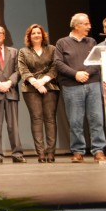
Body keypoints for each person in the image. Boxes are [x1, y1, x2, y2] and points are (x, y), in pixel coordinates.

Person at [54, 13, 106, 163]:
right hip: (72, 86)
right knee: (75, 120)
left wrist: (86, 74)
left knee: (96, 118)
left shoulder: (91, 41)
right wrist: (75, 74)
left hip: (92, 84)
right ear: (76, 26)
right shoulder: (62, 42)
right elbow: (58, 63)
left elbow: (97, 62)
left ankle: (98, 150)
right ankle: (78, 151)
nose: (89, 27)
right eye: (86, 24)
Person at [18, 24, 60, 163]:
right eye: (33, 33)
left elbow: (55, 67)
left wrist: (43, 82)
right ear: (29, 36)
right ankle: (41, 153)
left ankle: (51, 153)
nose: (36, 35)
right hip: (30, 88)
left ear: (43, 35)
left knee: (50, 119)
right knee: (36, 119)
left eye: (39, 33)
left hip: (50, 86)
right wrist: (36, 83)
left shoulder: (52, 49)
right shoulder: (23, 51)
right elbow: (23, 70)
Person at [0, 25, 24, 164]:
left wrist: (9, 83)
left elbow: (18, 70)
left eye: (0, 33)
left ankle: (17, 153)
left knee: (13, 125)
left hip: (11, 91)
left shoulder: (14, 52)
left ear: (4, 35)